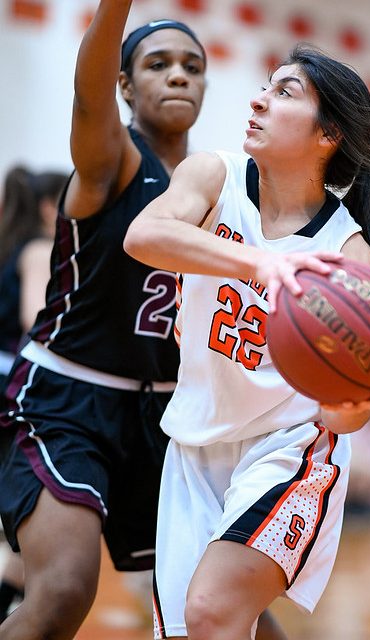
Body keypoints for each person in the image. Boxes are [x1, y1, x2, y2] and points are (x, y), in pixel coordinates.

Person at [124, 43, 370, 639]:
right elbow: (144, 234)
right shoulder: (212, 176)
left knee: (213, 608)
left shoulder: (347, 255)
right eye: (265, 85)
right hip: (194, 445)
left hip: (290, 451)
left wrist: (358, 396)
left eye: (284, 93)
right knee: (196, 630)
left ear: (327, 135)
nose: (258, 99)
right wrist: (257, 265)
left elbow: (345, 418)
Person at [0, 2, 210, 638]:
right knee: (63, 593)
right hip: (69, 401)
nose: (178, 76)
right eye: (157, 64)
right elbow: (85, 95)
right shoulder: (113, 162)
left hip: (164, 421)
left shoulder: (224, 190)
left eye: (193, 66)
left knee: (220, 612)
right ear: (124, 85)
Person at [0, 165, 68, 623]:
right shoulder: (41, 249)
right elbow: (36, 320)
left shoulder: (7, 247)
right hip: (11, 391)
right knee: (24, 527)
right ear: (49, 208)